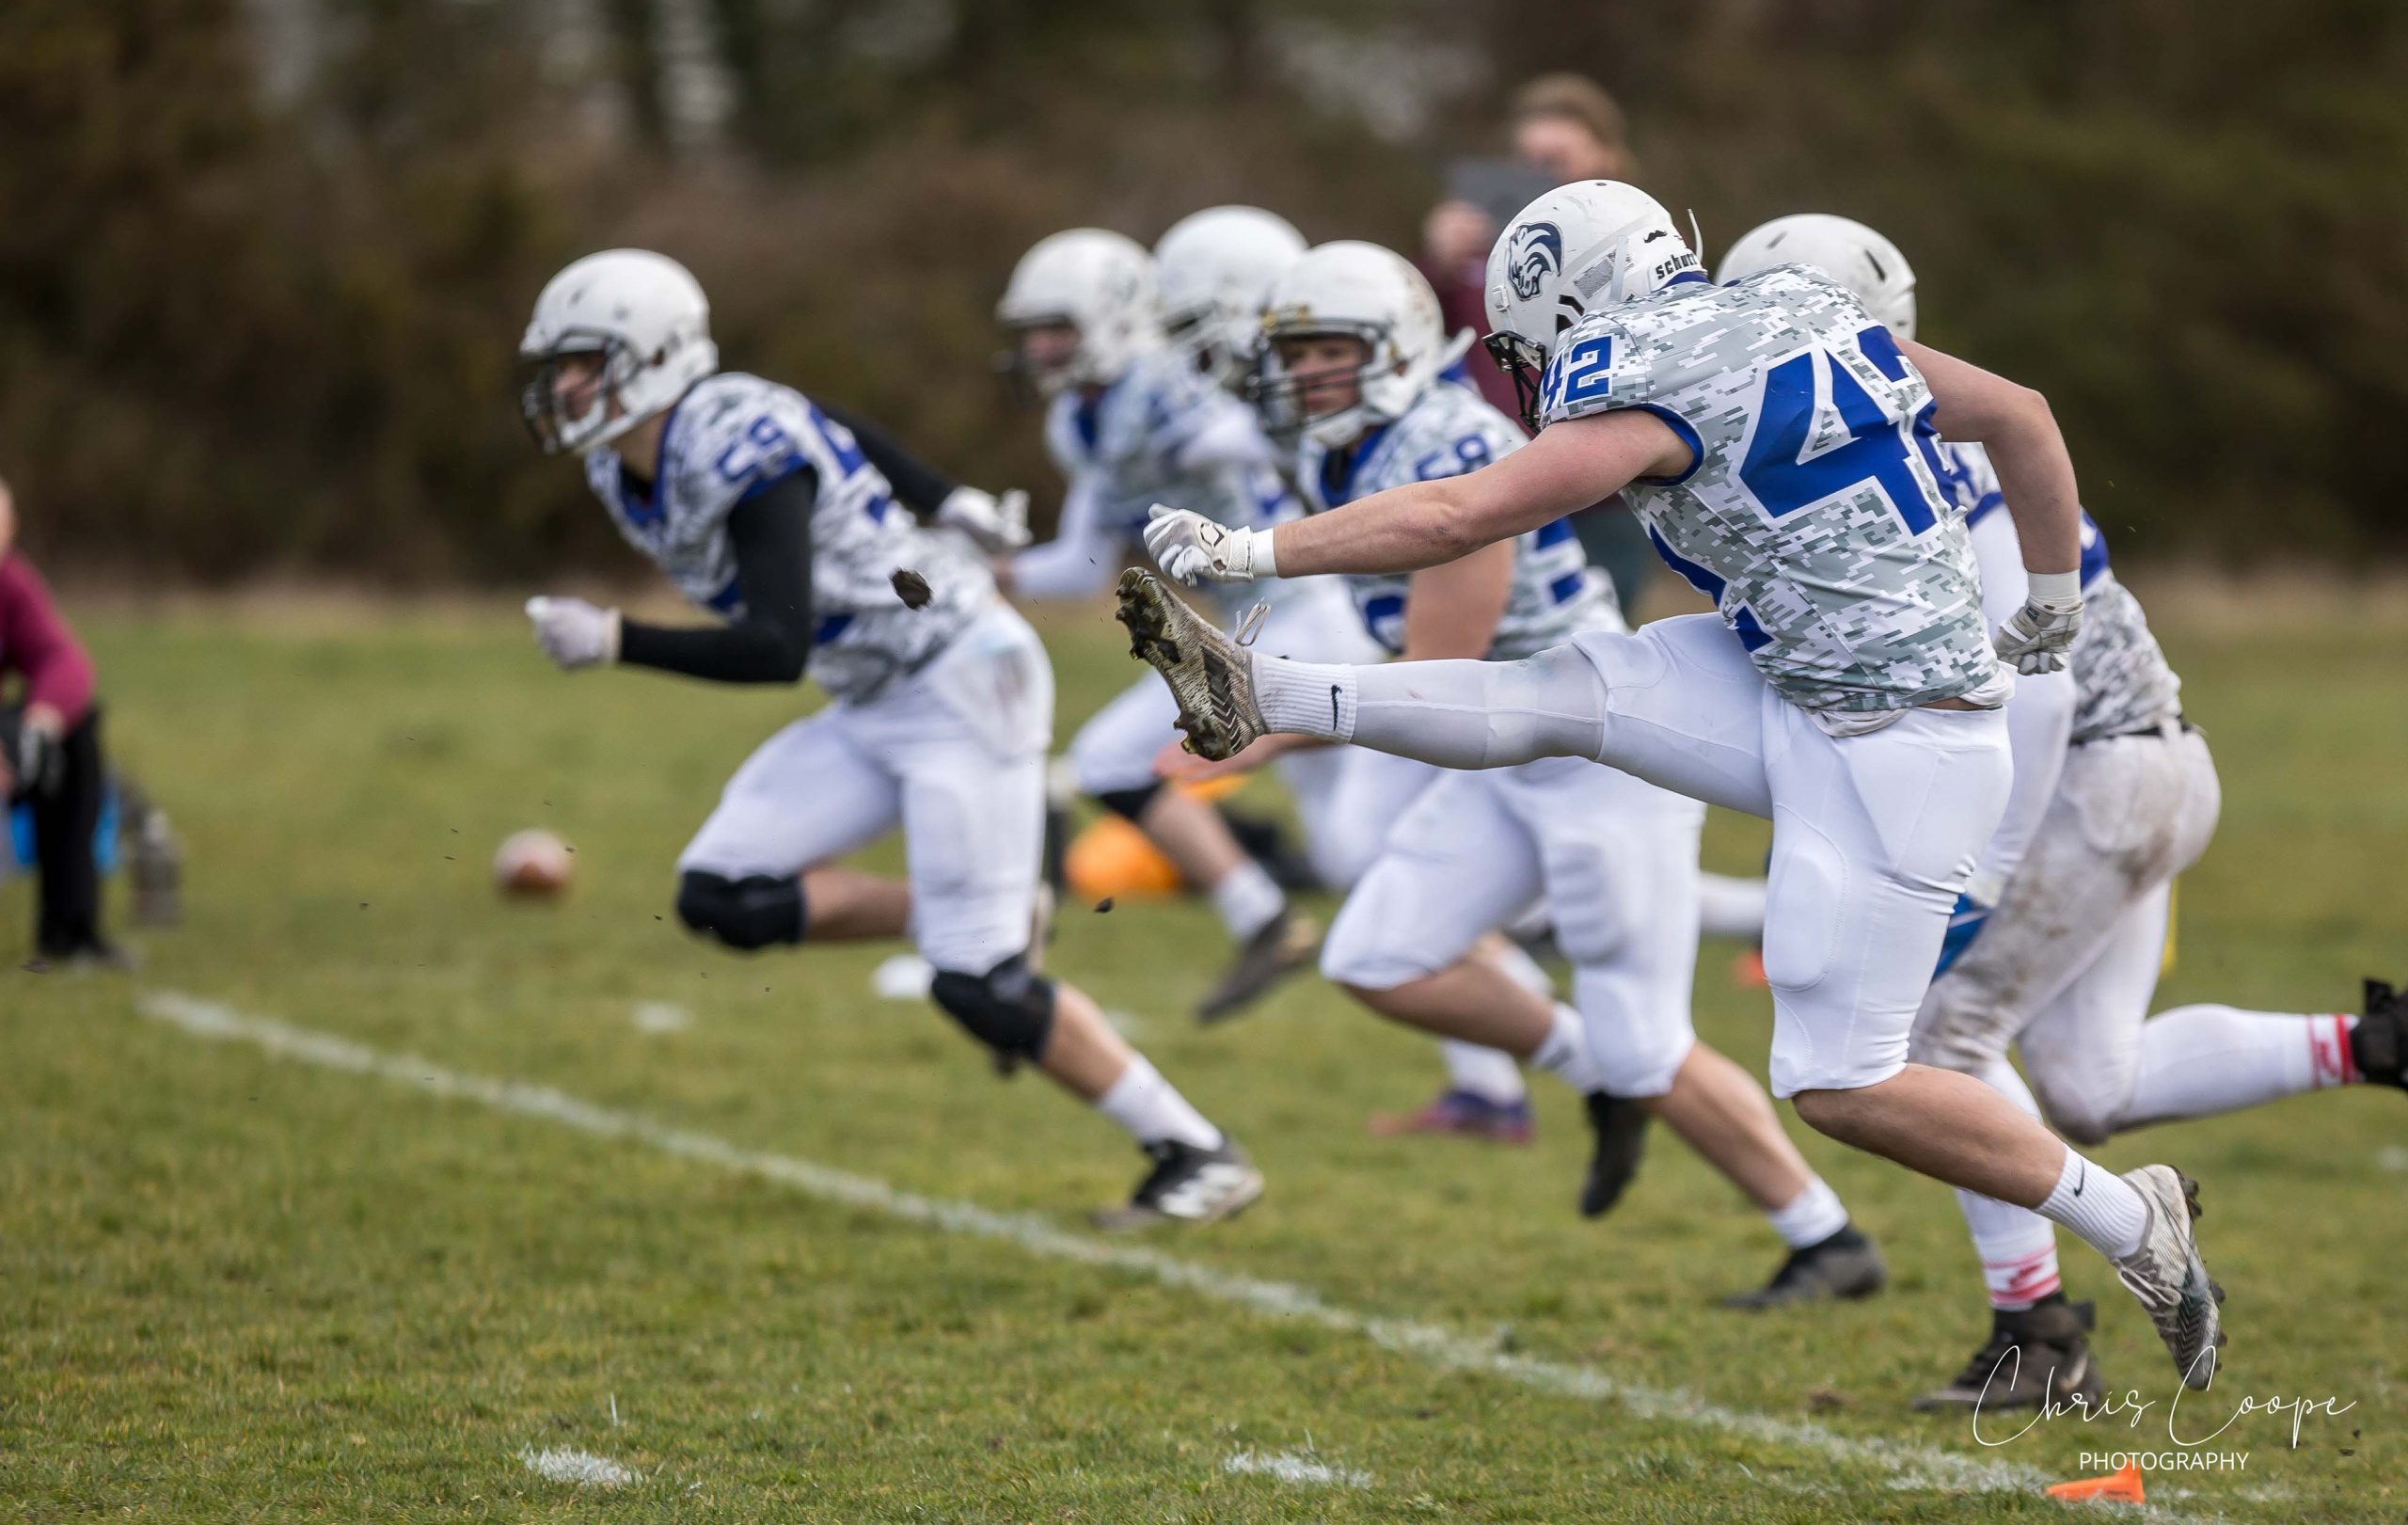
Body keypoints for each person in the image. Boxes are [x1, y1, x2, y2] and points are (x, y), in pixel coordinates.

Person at [1118, 180, 2227, 1389]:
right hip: (1804, 677)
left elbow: (1457, 515)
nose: (1530, 361)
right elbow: (2020, 412)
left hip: (1896, 741)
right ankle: (1262, 693)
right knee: (1572, 692)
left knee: (1841, 1083)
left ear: (1564, 295)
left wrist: (1247, 549)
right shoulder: (1802, 309)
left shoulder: (1646, 377)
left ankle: (2131, 1220)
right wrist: (2055, 590)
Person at [1720, 213, 2408, 1407]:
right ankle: (2375, 1046)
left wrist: (1972, 883)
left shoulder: (1938, 466)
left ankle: (2037, 1336)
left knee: (1939, 1038)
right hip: (2136, 767)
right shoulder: (1914, 440)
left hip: (2089, 775)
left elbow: (2025, 691)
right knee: (2092, 1082)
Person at [515, 247, 1260, 1227]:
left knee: (976, 988)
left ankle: (1195, 1152)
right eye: (560, 365)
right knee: (724, 894)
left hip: (958, 681)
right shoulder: (639, 457)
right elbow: (840, 427)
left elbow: (775, 647)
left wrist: (617, 639)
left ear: (651, 358)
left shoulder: (734, 446)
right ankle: (972, 909)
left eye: (586, 362)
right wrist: (944, 496)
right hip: (877, 692)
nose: (566, 386)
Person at [1209, 240, 1883, 1299]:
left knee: (1647, 1040)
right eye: (1294, 355)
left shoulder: (1446, 440)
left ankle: (1824, 1236)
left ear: (1395, 346)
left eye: (1327, 351)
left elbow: (1440, 661)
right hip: (1505, 750)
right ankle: (1593, 1075)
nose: (1304, 376)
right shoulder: (1357, 443)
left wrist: (1269, 709)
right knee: (1379, 957)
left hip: (1596, 747)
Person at [993, 222, 1386, 1022]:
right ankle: (1489, 1073)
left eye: (1057, 328)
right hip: (1271, 622)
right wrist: (977, 570)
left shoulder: (1158, 387)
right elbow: (1080, 564)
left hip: (1302, 618)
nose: (1041, 350)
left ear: (1113, 317)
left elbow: (1240, 438)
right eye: (1031, 332)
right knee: (1361, 861)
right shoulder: (1082, 422)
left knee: (1108, 758)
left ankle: (1264, 916)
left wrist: (1235, 438)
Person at [1423, 74, 1658, 614]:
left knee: (1594, 653)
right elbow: (1425, 337)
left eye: (1555, 159)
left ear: (1608, 160)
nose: (1536, 176)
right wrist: (1436, 260)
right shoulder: (1488, 248)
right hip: (1496, 482)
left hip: (1602, 492)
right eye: (1525, 159)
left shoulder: (1643, 244)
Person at [0, 479, 125, 970]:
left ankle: (70, 933)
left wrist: (37, 730)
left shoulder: (11, 584)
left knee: (75, 731)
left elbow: (64, 661)